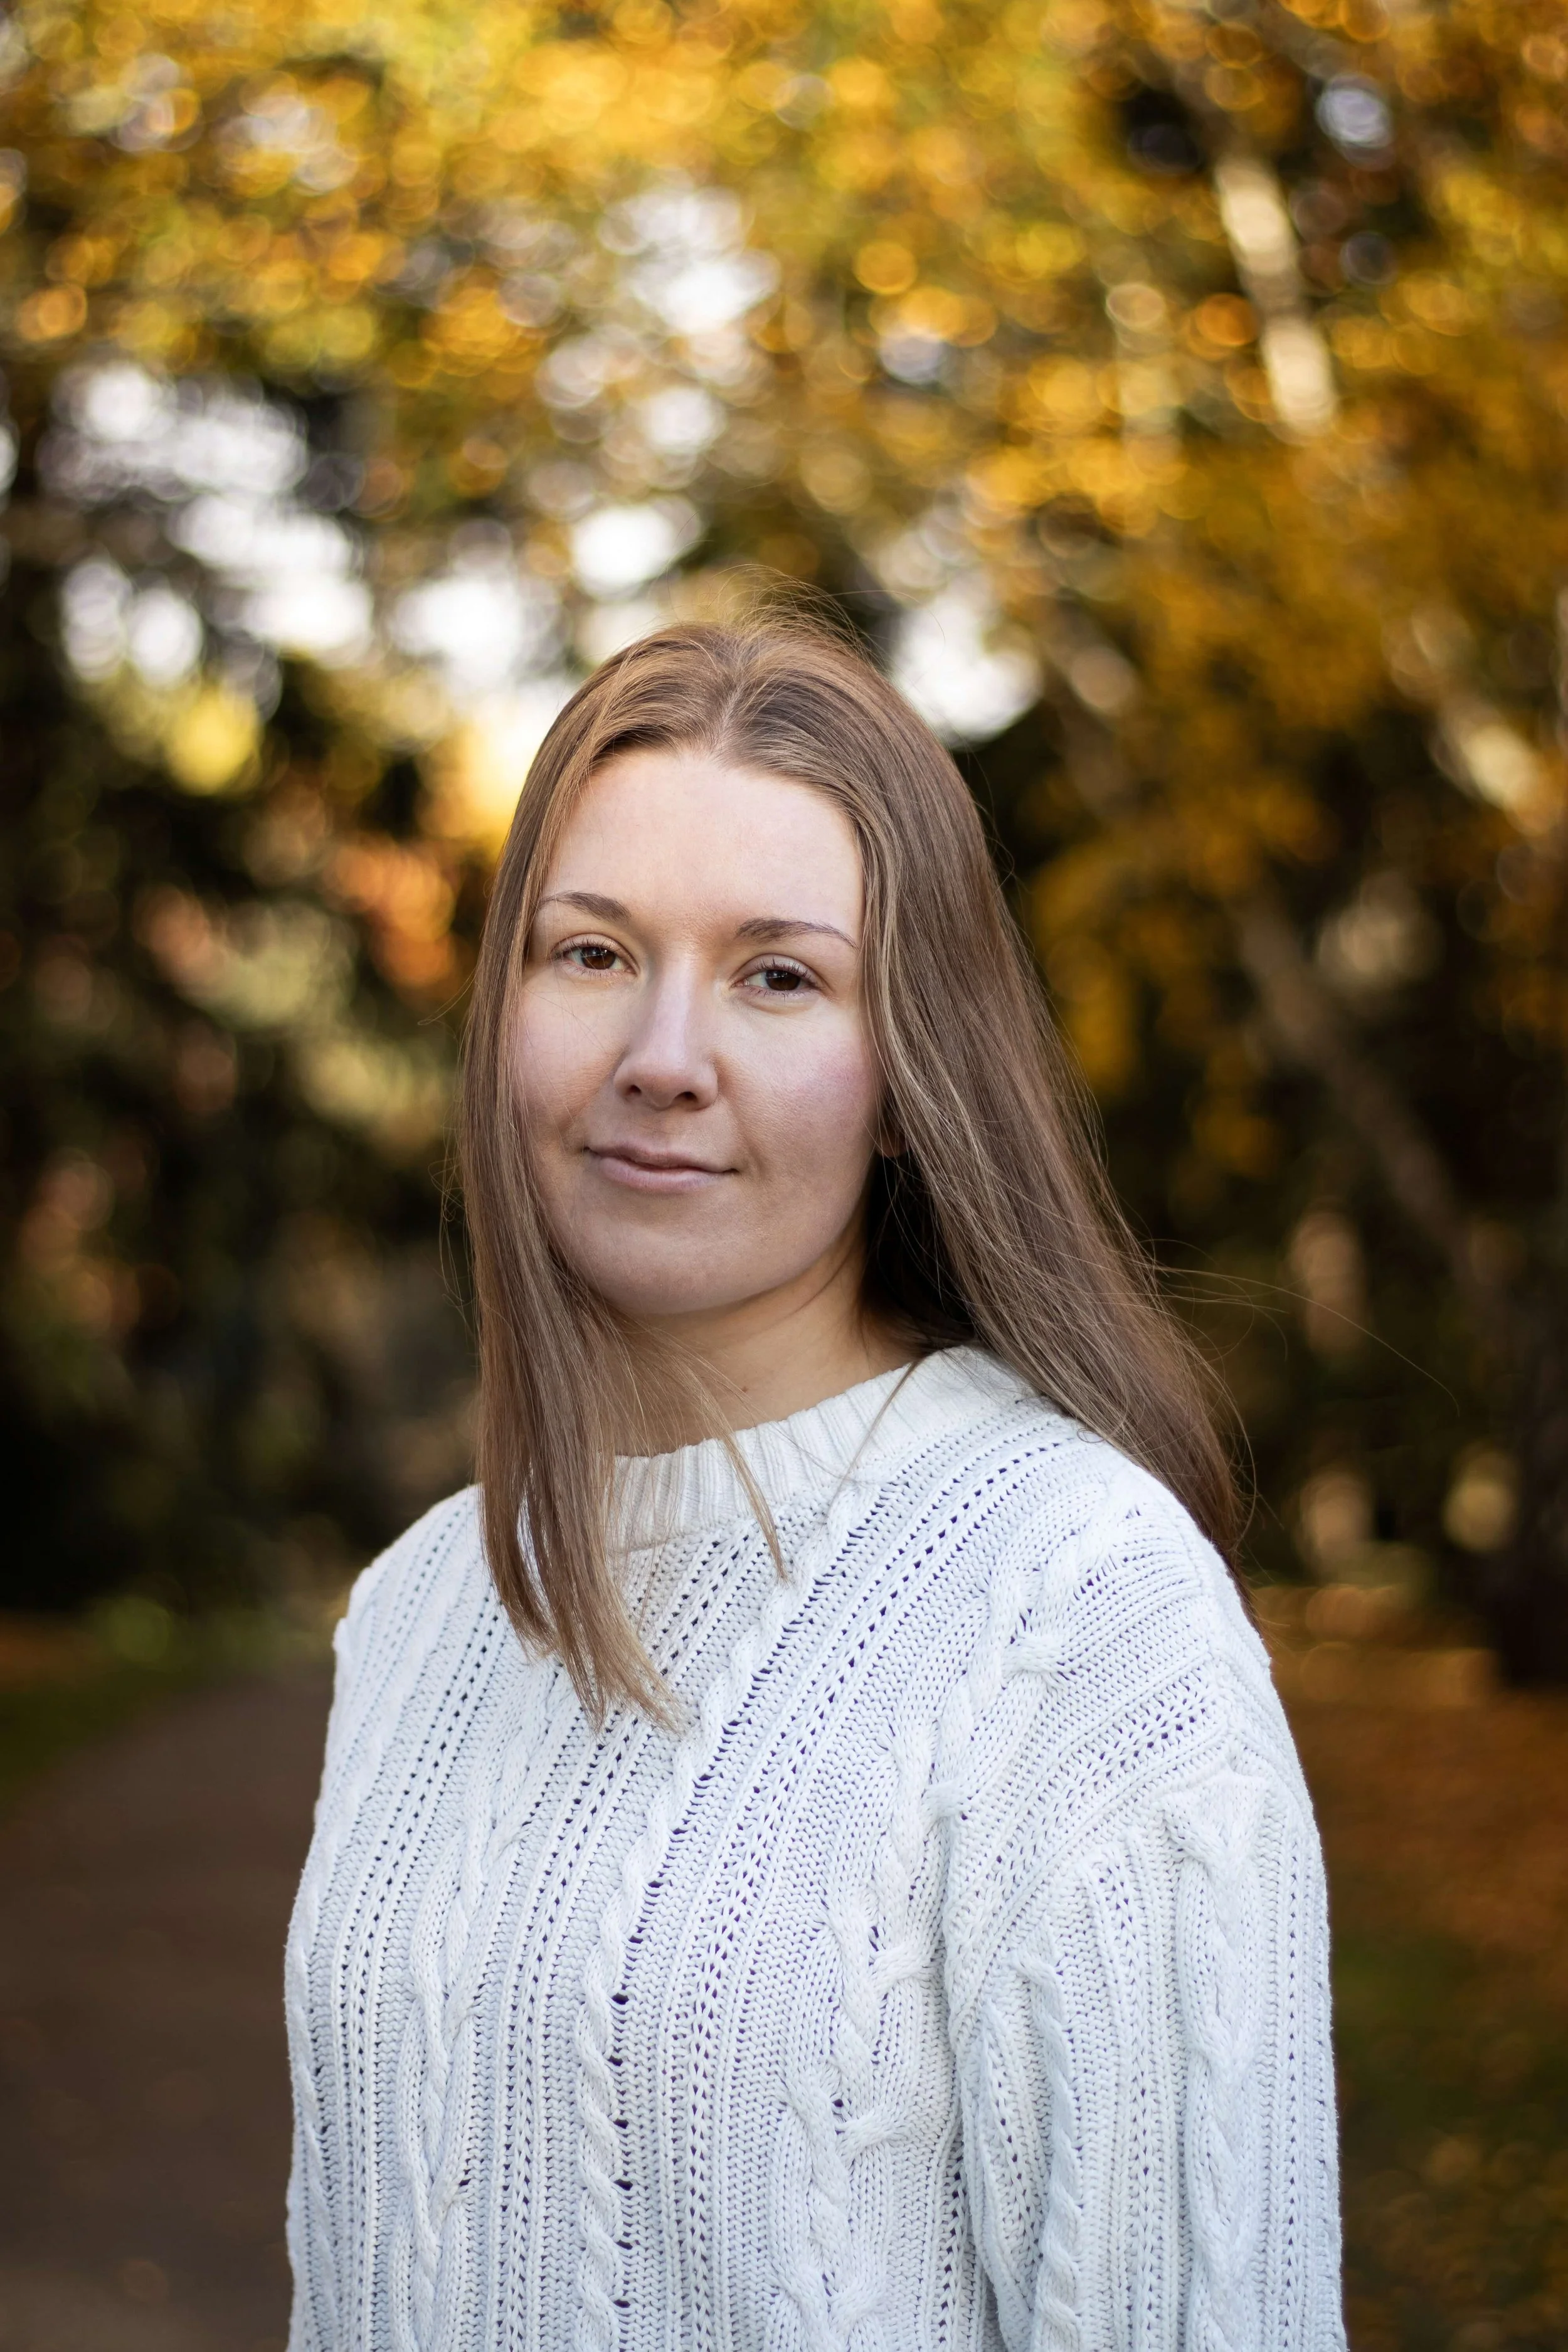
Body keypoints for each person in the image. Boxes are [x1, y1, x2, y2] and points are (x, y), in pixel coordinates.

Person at [284, 617, 1346, 2351]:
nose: (664, 1053)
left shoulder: (1072, 1605)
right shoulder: (420, 1606)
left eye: (777, 974)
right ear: (503, 1018)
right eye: (592, 952)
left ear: (909, 1074)